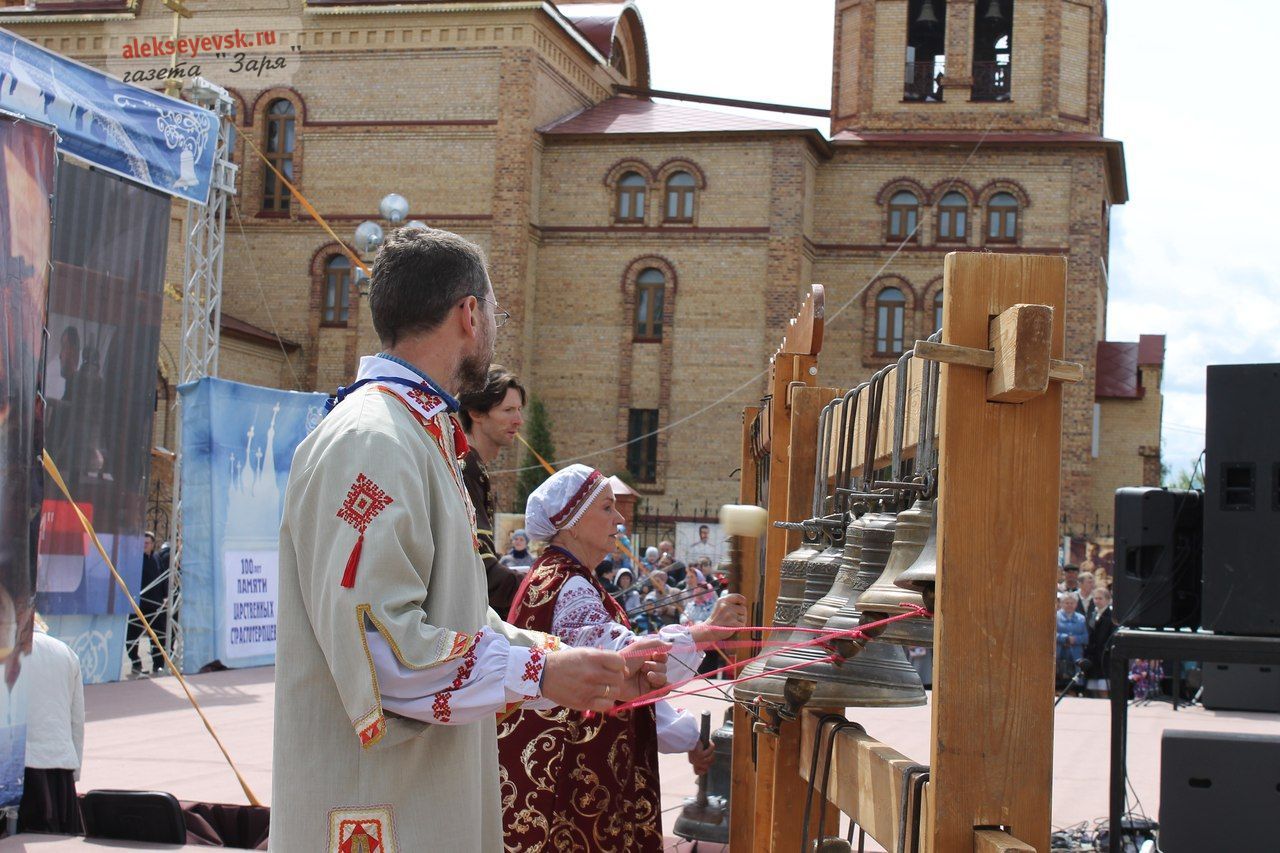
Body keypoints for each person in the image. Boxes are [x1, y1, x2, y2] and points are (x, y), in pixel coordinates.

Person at [269, 227, 668, 852]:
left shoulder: (413, 435)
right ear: (469, 313)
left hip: (422, 795)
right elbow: (379, 646)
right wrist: (537, 670)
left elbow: (453, 616)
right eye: (495, 313)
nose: (495, 329)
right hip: (383, 810)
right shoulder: (373, 440)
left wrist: (575, 665)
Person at [499, 465, 746, 851]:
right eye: (607, 508)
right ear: (572, 522)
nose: (619, 519)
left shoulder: (565, 578)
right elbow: (622, 663)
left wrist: (687, 737)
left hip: (574, 776)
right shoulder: (569, 585)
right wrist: (705, 632)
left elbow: (626, 690)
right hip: (568, 784)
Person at [458, 366, 527, 613]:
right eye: (508, 410)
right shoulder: (466, 466)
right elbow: (482, 571)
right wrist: (543, 587)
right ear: (476, 412)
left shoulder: (474, 465)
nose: (518, 420)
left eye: (519, 410)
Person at [19, 616, 84, 835]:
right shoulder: (65, 652)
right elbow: (76, 720)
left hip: (18, 768)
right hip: (60, 769)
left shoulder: (7, 651)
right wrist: (74, 770)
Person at [127, 531, 167, 674]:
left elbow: (162, 578)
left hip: (155, 604)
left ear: (152, 544)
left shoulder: (157, 558)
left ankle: (158, 665)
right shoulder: (136, 559)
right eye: (142, 543)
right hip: (139, 605)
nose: (144, 545)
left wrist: (165, 596)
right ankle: (136, 663)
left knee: (158, 636)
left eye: (147, 543)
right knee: (132, 636)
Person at [1084, 587, 1116, 698]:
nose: (1097, 601)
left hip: (1104, 657)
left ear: (1107, 600)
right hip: (1093, 657)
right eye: (1095, 598)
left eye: (1100, 598)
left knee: (1103, 688)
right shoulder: (1092, 614)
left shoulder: (1111, 616)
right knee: (1093, 689)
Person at [1055, 592, 1088, 689]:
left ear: (1076, 604)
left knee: (1074, 686)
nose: (1069, 605)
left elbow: (1086, 638)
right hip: (1059, 654)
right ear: (1061, 604)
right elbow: (1051, 635)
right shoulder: (1055, 617)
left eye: (1072, 603)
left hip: (1075, 656)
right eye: (1066, 603)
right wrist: (1064, 638)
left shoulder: (1081, 618)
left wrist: (1075, 639)